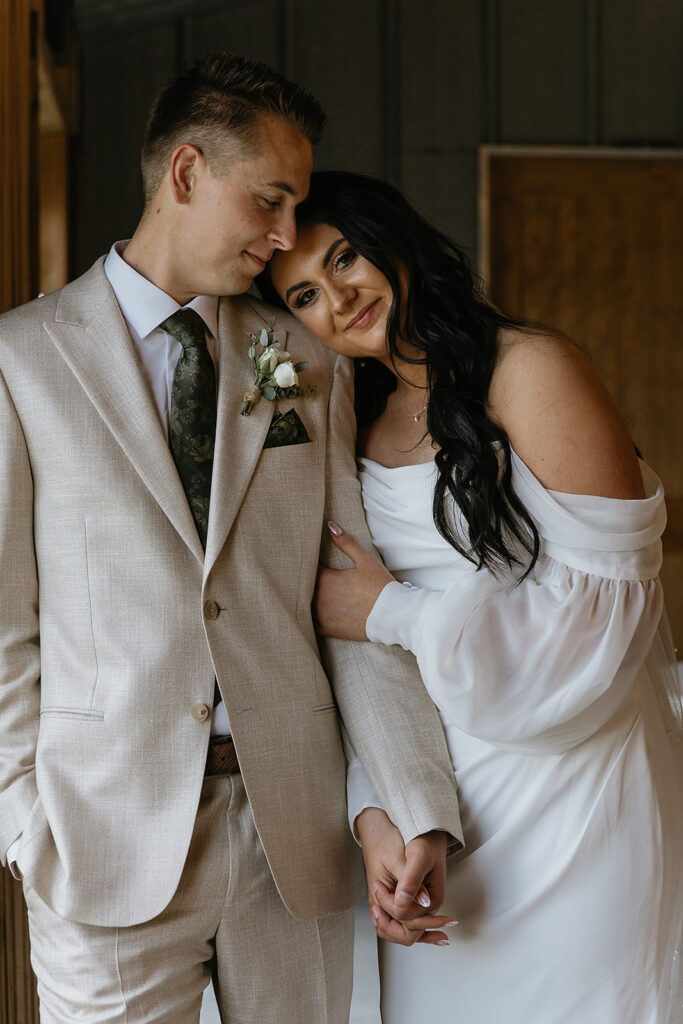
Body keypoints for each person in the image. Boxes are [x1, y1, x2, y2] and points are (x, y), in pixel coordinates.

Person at [0, 61, 463, 1023]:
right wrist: (24, 826)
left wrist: (408, 799)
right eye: (269, 200)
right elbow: (5, 629)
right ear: (185, 173)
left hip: (291, 834)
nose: (287, 236)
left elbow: (348, 598)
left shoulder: (306, 358)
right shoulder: (21, 359)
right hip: (100, 844)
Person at [266, 170, 683, 1023]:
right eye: (304, 294)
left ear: (395, 240)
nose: (337, 298)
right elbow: (365, 663)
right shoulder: (352, 426)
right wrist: (380, 810)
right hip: (446, 804)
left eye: (344, 258)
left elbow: (604, 615)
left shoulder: (529, 368)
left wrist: (392, 612)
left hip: (577, 779)